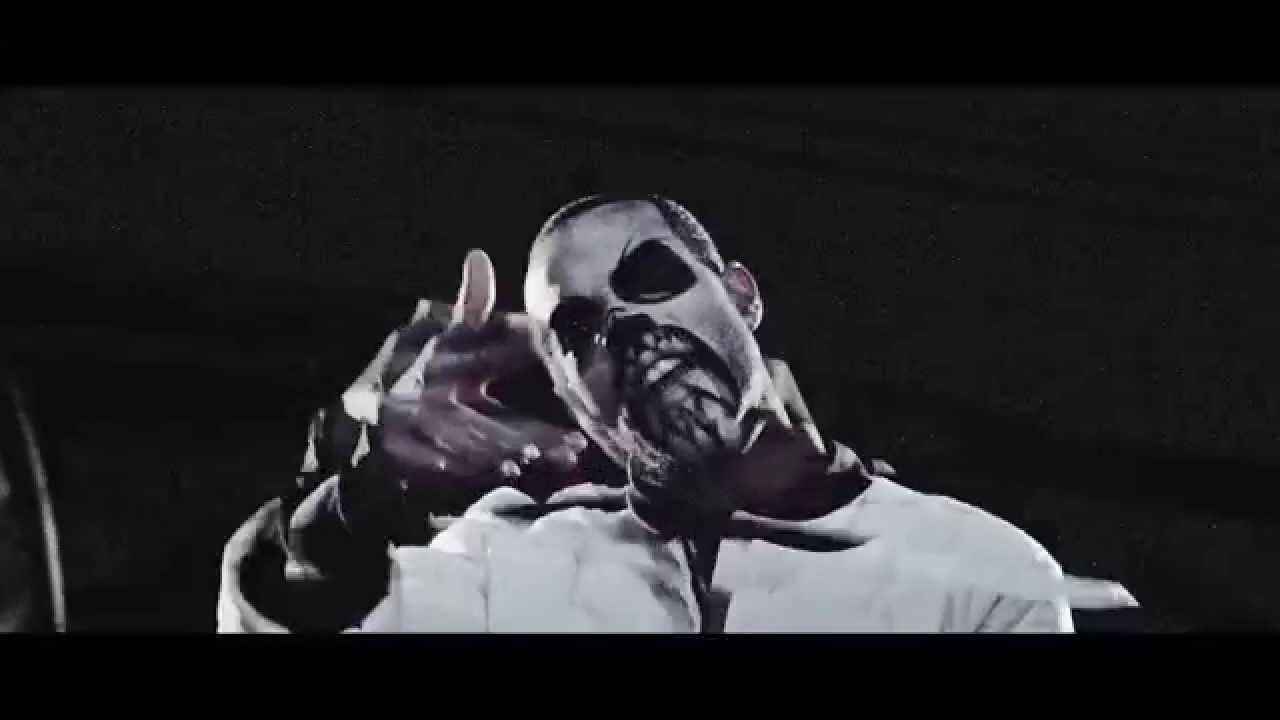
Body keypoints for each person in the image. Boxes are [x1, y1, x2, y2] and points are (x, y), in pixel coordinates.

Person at [218, 194, 1136, 633]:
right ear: (566, 388)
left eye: (651, 278)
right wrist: (360, 496)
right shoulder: (500, 565)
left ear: (740, 294)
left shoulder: (977, 572)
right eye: (578, 330)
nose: (625, 326)